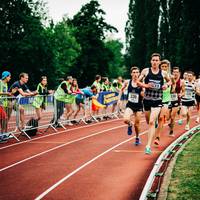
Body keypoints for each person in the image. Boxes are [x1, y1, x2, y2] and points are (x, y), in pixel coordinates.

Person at [137, 53, 171, 154]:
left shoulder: (164, 73)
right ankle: (153, 124)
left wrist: (166, 85)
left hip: (157, 100)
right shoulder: (145, 71)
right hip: (147, 100)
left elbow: (169, 82)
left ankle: (148, 146)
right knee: (148, 121)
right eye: (153, 60)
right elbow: (138, 82)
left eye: (157, 60)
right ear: (151, 61)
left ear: (159, 62)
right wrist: (146, 85)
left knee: (151, 122)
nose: (155, 62)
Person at [121, 66, 144, 145]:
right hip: (130, 105)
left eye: (137, 72)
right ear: (131, 74)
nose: (135, 74)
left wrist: (143, 94)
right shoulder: (127, 82)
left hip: (138, 106)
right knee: (125, 119)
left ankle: (137, 137)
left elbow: (144, 94)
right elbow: (121, 89)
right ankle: (130, 124)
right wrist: (118, 100)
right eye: (134, 72)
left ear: (139, 74)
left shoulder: (141, 83)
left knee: (137, 125)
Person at [154, 60, 172, 145]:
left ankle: (157, 137)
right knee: (155, 118)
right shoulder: (157, 75)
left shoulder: (170, 76)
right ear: (160, 67)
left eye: (165, 67)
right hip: (157, 98)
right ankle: (155, 123)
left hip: (166, 99)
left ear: (168, 67)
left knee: (161, 118)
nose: (164, 68)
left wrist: (171, 88)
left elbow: (173, 83)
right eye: (162, 67)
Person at [168, 67, 183, 136]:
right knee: (167, 117)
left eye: (177, 72)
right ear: (172, 73)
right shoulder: (169, 80)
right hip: (168, 99)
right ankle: (169, 123)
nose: (175, 73)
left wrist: (181, 94)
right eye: (174, 72)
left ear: (179, 73)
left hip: (176, 100)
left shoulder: (181, 82)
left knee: (172, 116)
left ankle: (171, 131)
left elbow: (184, 92)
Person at [0, 71, 12, 142]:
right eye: (9, 76)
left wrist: (10, 94)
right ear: (6, 76)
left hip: (3, 103)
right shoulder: (0, 82)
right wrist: (7, 93)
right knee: (4, 118)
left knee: (3, 118)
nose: (10, 78)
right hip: (0, 103)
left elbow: (5, 95)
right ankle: (2, 135)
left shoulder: (6, 84)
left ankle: (3, 134)